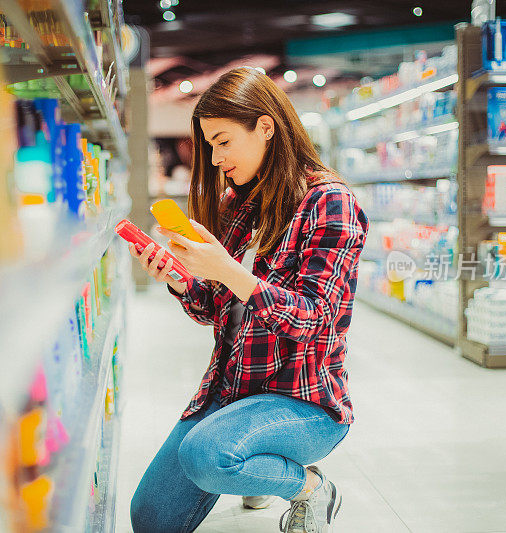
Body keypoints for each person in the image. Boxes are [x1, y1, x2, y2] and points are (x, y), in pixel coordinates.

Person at [128, 67, 368, 533]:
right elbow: (212, 310)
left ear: (265, 126)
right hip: (231, 391)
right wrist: (179, 279)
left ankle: (309, 488)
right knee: (150, 520)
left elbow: (313, 319)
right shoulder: (238, 206)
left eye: (222, 141)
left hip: (305, 403)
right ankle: (251, 461)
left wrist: (230, 272)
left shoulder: (330, 203)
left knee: (205, 455)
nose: (215, 158)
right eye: (209, 146)